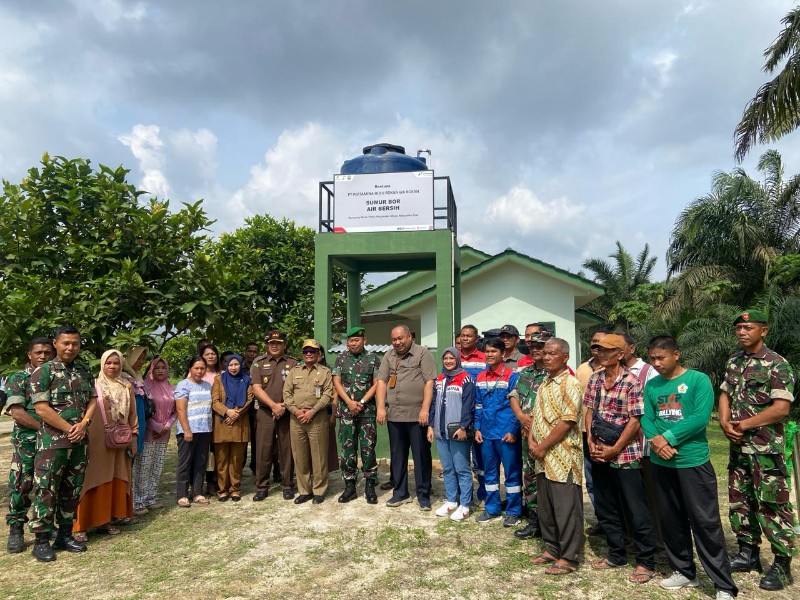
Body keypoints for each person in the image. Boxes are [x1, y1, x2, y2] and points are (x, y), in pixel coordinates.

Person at [640, 336, 738, 599]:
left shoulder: (698, 380)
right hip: (662, 463)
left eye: (662, 358)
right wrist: (656, 442)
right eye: (652, 359)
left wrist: (667, 438)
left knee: (705, 522)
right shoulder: (651, 386)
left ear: (676, 354)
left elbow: (700, 416)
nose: (657, 363)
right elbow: (647, 418)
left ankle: (723, 584)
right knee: (671, 519)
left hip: (692, 461)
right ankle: (684, 571)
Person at [719, 309, 796, 591]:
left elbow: (780, 409)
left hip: (765, 448)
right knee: (740, 501)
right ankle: (748, 553)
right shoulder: (734, 361)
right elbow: (725, 394)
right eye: (739, 327)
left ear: (763, 330)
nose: (742, 332)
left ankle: (782, 563)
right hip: (738, 448)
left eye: (748, 327)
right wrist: (725, 422)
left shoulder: (777, 364)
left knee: (773, 504)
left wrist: (743, 425)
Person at [584, 333, 656, 584]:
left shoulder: (633, 382)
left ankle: (646, 561)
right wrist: (591, 440)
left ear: (620, 354)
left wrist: (615, 448)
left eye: (606, 350)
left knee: (636, 508)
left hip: (625, 454)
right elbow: (590, 411)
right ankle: (616, 554)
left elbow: (636, 420)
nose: (600, 354)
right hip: (599, 451)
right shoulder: (595, 380)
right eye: (597, 350)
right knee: (606, 505)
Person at [28, 326, 97, 562]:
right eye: (66, 343)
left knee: (72, 487)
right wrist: (70, 428)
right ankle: (41, 541)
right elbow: (41, 409)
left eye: (75, 343)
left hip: (79, 442)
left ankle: (65, 535)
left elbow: (93, 400)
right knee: (46, 489)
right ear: (55, 344)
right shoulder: (43, 371)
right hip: (53, 443)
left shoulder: (83, 369)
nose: (71, 348)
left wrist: (85, 423)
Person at [528, 338, 584, 576]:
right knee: (547, 507)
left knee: (566, 508)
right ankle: (552, 548)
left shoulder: (570, 384)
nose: (547, 357)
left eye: (552, 353)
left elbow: (567, 421)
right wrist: (532, 441)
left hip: (563, 456)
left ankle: (569, 557)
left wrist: (543, 446)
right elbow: (535, 415)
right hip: (542, 457)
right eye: (545, 353)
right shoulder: (544, 383)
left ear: (565, 357)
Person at [73, 350, 138, 542]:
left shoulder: (126, 386)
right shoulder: (94, 385)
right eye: (108, 363)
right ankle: (81, 525)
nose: (112, 367)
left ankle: (106, 521)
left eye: (116, 363)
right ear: (102, 364)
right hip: (96, 440)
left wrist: (134, 436)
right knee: (92, 478)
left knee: (115, 477)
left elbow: (132, 415)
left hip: (119, 440)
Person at [376, 324, 437, 510]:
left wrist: (425, 410)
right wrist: (380, 407)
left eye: (401, 338)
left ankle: (423, 495)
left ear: (410, 336)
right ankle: (400, 493)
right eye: (394, 339)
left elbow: (429, 382)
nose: (397, 342)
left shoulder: (422, 354)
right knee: (398, 456)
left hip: (417, 415)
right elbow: (382, 381)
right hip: (395, 414)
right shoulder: (389, 355)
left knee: (421, 456)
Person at [4, 337, 55, 553]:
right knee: (21, 485)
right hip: (27, 442)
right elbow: (17, 412)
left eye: (47, 352)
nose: (43, 356)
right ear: (30, 355)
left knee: (47, 485)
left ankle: (43, 527)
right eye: (38, 353)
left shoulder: (55, 377)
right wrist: (44, 429)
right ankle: (16, 528)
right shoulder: (19, 378)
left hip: (51, 443)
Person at [474, 338, 522, 526]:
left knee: (512, 473)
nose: (489, 354)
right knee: (489, 474)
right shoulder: (480, 377)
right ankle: (492, 508)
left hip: (506, 434)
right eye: (487, 351)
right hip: (486, 434)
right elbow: (478, 405)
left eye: (493, 351)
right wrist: (477, 428)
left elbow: (516, 407)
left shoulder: (512, 376)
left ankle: (513, 511)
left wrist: (513, 430)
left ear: (503, 354)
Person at [332, 326, 381, 504]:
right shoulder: (341, 358)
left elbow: (377, 383)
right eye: (350, 341)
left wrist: (361, 403)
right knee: (347, 450)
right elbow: (336, 382)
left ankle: (369, 485)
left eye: (356, 340)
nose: (353, 343)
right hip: (346, 412)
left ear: (364, 340)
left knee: (368, 449)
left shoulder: (373, 358)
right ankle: (350, 486)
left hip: (366, 412)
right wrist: (350, 403)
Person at [509, 330, 550, 539]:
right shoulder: (526, 373)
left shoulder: (556, 374)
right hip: (527, 436)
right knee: (530, 477)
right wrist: (520, 416)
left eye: (540, 346)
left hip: (549, 439)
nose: (535, 350)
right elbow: (515, 395)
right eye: (532, 346)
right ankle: (535, 521)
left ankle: (550, 523)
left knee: (549, 479)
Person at [428, 347, 475, 522]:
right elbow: (433, 403)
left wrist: (463, 427)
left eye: (451, 358)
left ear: (457, 359)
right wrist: (431, 426)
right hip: (441, 432)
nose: (448, 361)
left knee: (461, 469)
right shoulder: (439, 379)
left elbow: (469, 405)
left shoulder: (466, 379)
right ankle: (451, 501)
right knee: (447, 469)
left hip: (458, 432)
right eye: (445, 358)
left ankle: (465, 505)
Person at [283, 339, 333, 504]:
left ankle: (319, 490)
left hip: (317, 418)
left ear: (319, 354)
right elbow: (287, 393)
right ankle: (304, 490)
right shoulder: (294, 371)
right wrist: (296, 411)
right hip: (296, 419)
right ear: (302, 354)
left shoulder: (325, 372)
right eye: (306, 351)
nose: (309, 354)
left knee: (319, 456)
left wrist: (312, 411)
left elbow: (327, 394)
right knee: (300, 456)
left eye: (312, 351)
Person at [250, 330, 297, 501]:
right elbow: (256, 388)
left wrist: (284, 406)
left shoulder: (293, 363)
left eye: (278, 343)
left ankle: (287, 485)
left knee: (286, 449)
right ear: (267, 345)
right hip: (265, 412)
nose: (274, 345)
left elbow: (296, 388)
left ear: (284, 345)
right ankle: (262, 486)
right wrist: (273, 405)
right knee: (263, 449)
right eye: (271, 343)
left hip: (286, 412)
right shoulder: (259, 363)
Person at [575, 326, 611, 536]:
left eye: (602, 343)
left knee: (610, 480)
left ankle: (618, 522)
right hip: (585, 432)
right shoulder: (582, 369)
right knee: (591, 479)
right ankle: (603, 520)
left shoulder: (617, 369)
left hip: (610, 435)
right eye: (594, 342)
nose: (597, 346)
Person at [135, 357, 176, 514]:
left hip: (164, 434)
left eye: (163, 368)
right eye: (157, 367)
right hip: (148, 433)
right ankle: (138, 501)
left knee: (157, 466)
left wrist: (167, 426)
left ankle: (150, 498)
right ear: (151, 369)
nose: (160, 370)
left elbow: (175, 411)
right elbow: (143, 412)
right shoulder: (145, 387)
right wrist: (158, 427)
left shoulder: (171, 388)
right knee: (143, 467)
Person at [211, 354, 254, 502]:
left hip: (239, 423)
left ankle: (235, 489)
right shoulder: (219, 380)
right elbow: (215, 401)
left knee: (237, 459)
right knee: (221, 459)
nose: (234, 368)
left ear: (240, 365)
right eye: (231, 365)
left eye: (236, 364)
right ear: (226, 366)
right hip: (222, 423)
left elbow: (249, 399)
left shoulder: (247, 380)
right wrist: (227, 411)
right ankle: (222, 489)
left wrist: (237, 413)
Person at [174, 356, 213, 508]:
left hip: (205, 430)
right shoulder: (183, 385)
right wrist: (187, 430)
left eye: (202, 368)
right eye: (196, 368)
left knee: (200, 463)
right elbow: (180, 409)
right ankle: (182, 494)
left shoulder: (207, 385)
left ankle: (197, 492)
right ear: (190, 369)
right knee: (185, 463)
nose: (199, 371)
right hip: (188, 431)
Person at [459, 324, 488, 506]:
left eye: (469, 336)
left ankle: (484, 493)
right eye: (462, 335)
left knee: (480, 458)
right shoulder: (453, 357)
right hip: (460, 415)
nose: (465, 338)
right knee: (460, 458)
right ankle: (463, 495)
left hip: (479, 415)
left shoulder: (484, 358)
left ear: (476, 338)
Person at [243, 341, 260, 474]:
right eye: (250, 351)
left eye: (255, 351)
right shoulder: (238, 366)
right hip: (242, 409)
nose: (252, 353)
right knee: (242, 440)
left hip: (257, 408)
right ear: (245, 352)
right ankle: (240, 466)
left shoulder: (260, 366)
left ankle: (255, 467)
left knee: (256, 439)